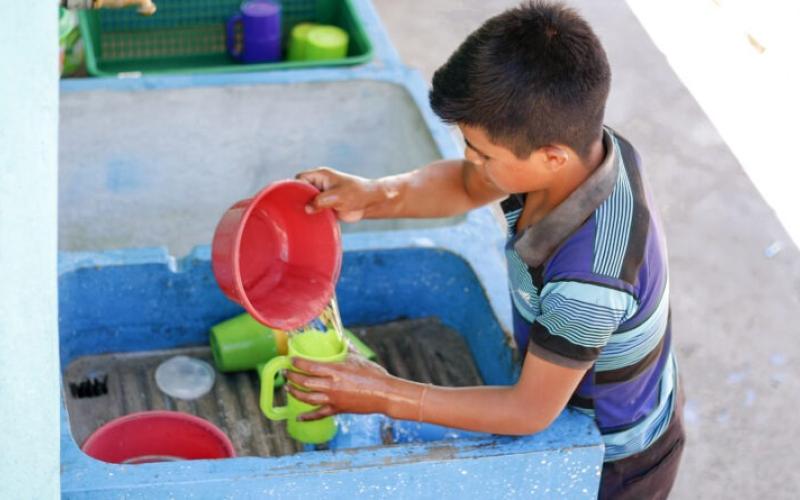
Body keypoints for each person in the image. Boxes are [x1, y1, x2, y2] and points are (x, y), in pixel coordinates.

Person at [290, 2, 684, 498]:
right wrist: (375, 195)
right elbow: (469, 186)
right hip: (573, 379)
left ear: (551, 157)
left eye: (483, 153)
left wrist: (384, 393)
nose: (470, 160)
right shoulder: (585, 153)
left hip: (611, 459)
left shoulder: (589, 282)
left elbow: (528, 411)